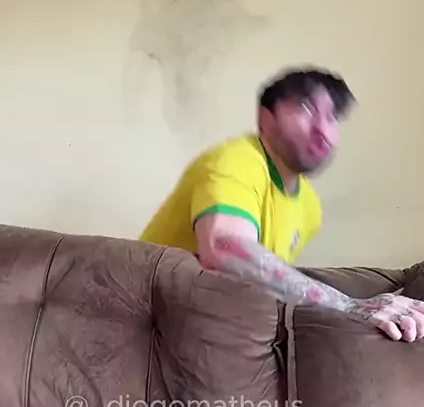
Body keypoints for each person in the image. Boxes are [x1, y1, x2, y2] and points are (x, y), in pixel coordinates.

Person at [140, 67, 424, 343]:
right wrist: (350, 307)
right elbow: (224, 248)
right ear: (266, 119)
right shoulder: (235, 159)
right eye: (306, 108)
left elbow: (265, 285)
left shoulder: (309, 208)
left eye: (332, 116)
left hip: (212, 327)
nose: (323, 129)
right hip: (145, 317)